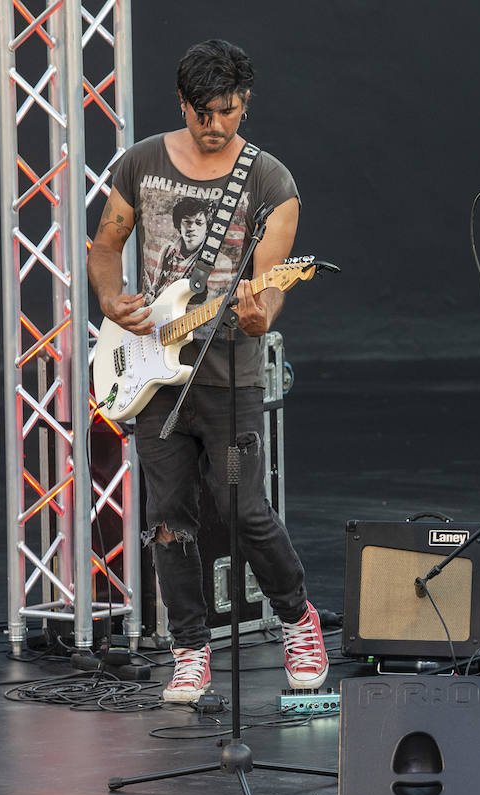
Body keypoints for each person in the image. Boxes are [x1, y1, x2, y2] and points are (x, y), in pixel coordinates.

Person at [87, 38, 327, 703]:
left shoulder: (270, 182)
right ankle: (189, 648)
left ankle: (297, 617)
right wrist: (111, 300)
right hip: (152, 371)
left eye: (228, 111)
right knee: (169, 516)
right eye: (203, 113)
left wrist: (258, 312)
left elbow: (267, 293)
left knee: (242, 509)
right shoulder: (140, 164)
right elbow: (105, 246)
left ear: (245, 103)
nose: (216, 125)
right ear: (182, 105)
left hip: (228, 368)